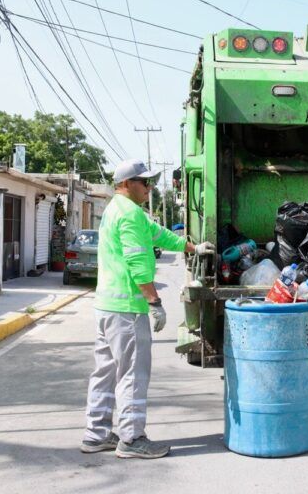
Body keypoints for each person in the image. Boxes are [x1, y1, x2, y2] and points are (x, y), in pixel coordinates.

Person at [80, 159, 213, 459]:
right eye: (144, 182)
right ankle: (131, 438)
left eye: (151, 182)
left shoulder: (120, 210)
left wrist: (193, 248)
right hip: (127, 310)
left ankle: (96, 434)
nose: (150, 188)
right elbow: (138, 264)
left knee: (105, 372)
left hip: (106, 308)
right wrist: (155, 302)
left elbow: (159, 234)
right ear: (126, 184)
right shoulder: (129, 215)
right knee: (132, 375)